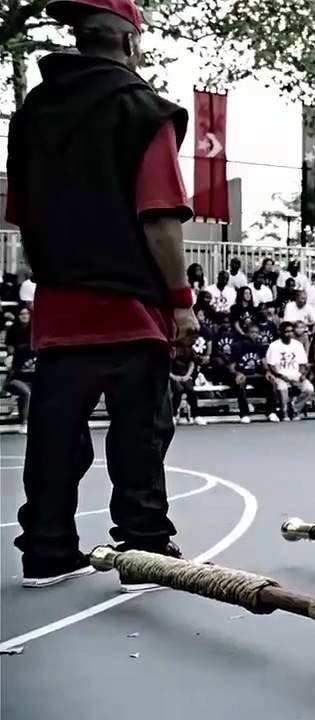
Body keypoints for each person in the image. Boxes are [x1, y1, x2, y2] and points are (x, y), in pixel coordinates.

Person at [5, 0, 195, 589]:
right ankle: (144, 546)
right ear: (130, 42)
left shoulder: (32, 115)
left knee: (55, 435)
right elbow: (160, 217)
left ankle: (47, 549)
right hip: (131, 305)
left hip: (60, 305)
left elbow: (22, 217)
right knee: (140, 432)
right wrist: (181, 301)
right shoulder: (142, 108)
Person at [265, 321, 315, 421]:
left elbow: (302, 364)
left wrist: (302, 375)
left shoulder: (298, 345)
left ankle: (294, 409)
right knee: (282, 387)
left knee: (309, 388)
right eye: (287, 331)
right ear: (281, 333)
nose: (289, 334)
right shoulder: (274, 346)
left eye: (291, 331)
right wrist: (282, 376)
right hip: (280, 375)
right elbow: (271, 365)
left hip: (296, 375)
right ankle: (285, 412)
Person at [3, 305, 36, 434]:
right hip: (16, 378)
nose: (24, 316)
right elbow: (12, 366)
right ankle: (25, 423)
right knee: (27, 392)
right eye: (22, 314)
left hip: (32, 377)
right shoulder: (18, 350)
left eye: (27, 314)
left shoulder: (34, 332)